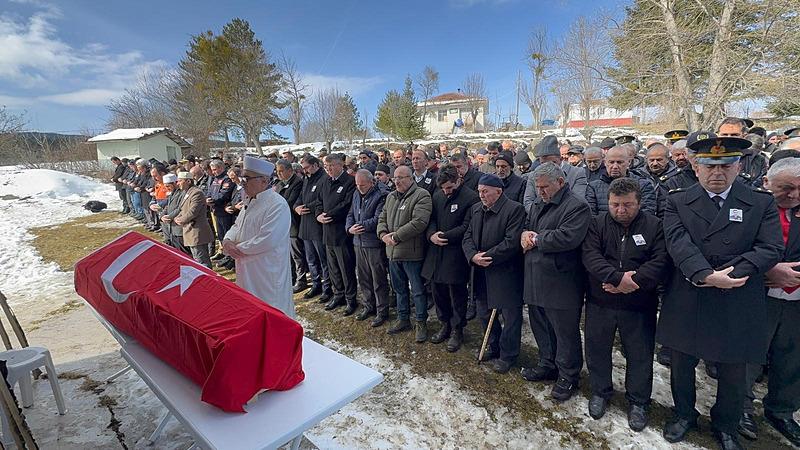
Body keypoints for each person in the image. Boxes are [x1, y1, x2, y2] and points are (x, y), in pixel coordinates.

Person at [658, 136, 783, 449]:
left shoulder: (760, 202)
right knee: (682, 363)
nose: (718, 172)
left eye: (726, 165)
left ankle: (726, 425)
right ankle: (684, 414)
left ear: (738, 166)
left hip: (737, 295)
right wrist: (705, 274)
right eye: (710, 166)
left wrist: (731, 274)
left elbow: (770, 248)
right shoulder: (677, 200)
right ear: (696, 167)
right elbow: (677, 242)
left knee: (733, 368)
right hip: (691, 291)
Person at [581, 177, 670, 431]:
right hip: (601, 300)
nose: (621, 210)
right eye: (615, 204)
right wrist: (616, 278)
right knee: (597, 349)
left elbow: (660, 261)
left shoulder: (654, 225)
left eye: (627, 205)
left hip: (639, 303)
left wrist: (633, 281)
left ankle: (638, 401)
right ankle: (600, 391)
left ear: (639, 203)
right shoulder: (597, 224)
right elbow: (591, 256)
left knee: (639, 354)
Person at [739, 157, 800, 446]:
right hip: (758, 294)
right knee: (748, 356)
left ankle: (782, 410)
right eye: (786, 188)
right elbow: (730, 248)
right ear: (766, 182)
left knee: (792, 359)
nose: (794, 195)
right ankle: (741, 407)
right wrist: (766, 269)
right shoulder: (749, 207)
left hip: (796, 300)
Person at [520, 162, 591, 400]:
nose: (540, 191)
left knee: (564, 332)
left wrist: (537, 239)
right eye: (537, 187)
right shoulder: (539, 203)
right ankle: (547, 363)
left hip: (561, 281)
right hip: (535, 276)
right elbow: (528, 226)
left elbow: (568, 237)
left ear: (560, 182)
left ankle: (568, 375)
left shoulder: (577, 206)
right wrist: (525, 234)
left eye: (544, 187)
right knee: (541, 326)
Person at [463, 173, 526, 373]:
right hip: (480, 270)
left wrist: (487, 256)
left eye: (485, 191)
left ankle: (508, 355)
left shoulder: (514, 209)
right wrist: (472, 256)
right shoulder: (476, 209)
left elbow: (511, 242)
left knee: (510, 316)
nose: (481, 195)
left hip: (505, 272)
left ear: (498, 192)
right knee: (483, 311)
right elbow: (468, 236)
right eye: (479, 191)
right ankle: (493, 345)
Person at [222, 157, 295, 318]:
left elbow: (268, 239)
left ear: (264, 181)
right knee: (251, 308)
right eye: (242, 178)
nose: (243, 183)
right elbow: (237, 226)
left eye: (247, 178)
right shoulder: (249, 201)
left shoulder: (277, 204)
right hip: (246, 267)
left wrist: (236, 249)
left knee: (272, 311)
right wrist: (227, 241)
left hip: (267, 270)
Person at [421, 164, 480, 352]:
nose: (446, 192)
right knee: (437, 292)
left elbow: (467, 226)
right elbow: (431, 219)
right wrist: (431, 235)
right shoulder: (438, 195)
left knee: (457, 295)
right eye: (443, 188)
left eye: (449, 188)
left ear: (458, 180)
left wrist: (445, 236)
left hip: (455, 254)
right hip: (436, 253)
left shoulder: (470, 198)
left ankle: (457, 329)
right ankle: (444, 323)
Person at [377, 165, 432, 340]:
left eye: (401, 178)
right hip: (392, 252)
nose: (397, 181)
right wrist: (383, 235)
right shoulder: (391, 196)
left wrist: (396, 236)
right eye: (395, 178)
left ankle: (421, 322)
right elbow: (382, 218)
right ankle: (403, 318)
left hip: (412, 253)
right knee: (399, 289)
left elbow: (419, 222)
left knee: (417, 290)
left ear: (410, 178)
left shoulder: (421, 195)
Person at [315, 154, 358, 315]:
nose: (328, 169)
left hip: (341, 233)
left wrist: (328, 215)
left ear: (340, 165)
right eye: (326, 167)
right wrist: (318, 215)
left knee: (346, 268)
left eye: (331, 166)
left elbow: (346, 204)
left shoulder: (349, 181)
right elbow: (319, 201)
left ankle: (351, 299)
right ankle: (338, 294)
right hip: (327, 232)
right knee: (333, 268)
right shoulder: (325, 181)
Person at [346, 169, 390, 326]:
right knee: (364, 278)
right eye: (357, 185)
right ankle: (368, 306)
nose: (359, 188)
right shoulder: (356, 193)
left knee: (378, 279)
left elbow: (378, 218)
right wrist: (349, 228)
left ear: (371, 182)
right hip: (358, 242)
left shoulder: (381, 195)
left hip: (373, 243)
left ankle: (382, 310)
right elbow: (350, 213)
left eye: (363, 185)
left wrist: (360, 226)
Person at [295, 155, 333, 302]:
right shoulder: (306, 179)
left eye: (306, 168)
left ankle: (327, 287)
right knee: (311, 259)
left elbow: (321, 200)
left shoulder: (324, 178)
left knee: (323, 260)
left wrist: (306, 207)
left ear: (315, 165)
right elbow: (300, 196)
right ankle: (316, 284)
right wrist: (296, 207)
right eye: (303, 168)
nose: (304, 171)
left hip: (317, 225)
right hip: (305, 225)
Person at [586, 146, 656, 216]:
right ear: (605, 163)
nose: (615, 166)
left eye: (619, 162)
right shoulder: (593, 187)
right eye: (611, 162)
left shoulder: (643, 185)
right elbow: (591, 215)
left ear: (629, 162)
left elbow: (647, 214)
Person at [523, 135, 588, 212]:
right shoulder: (533, 176)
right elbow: (528, 202)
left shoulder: (577, 173)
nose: (547, 167)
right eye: (543, 163)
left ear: (561, 159)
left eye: (552, 163)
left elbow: (578, 202)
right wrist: (540, 215)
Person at [275, 159, 308, 292]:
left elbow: (288, 202)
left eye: (281, 171)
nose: (279, 174)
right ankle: (291, 278)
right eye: (277, 171)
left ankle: (301, 280)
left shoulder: (297, 182)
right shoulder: (279, 184)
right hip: (282, 225)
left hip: (294, 224)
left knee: (297, 254)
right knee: (287, 254)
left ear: (290, 170)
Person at [173, 172, 215, 268]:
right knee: (197, 258)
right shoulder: (187, 193)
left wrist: (181, 220)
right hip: (190, 231)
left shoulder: (197, 193)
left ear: (188, 181)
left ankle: (207, 277)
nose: (178, 183)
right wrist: (177, 217)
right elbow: (182, 209)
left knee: (201, 260)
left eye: (180, 181)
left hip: (197, 232)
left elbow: (193, 212)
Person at [207, 160, 236, 264]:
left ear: (220, 168)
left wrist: (212, 200)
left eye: (215, 169)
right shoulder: (215, 179)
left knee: (227, 235)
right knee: (221, 235)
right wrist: (208, 199)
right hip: (216, 211)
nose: (213, 172)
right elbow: (209, 191)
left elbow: (224, 194)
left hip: (225, 212)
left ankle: (230, 257)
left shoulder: (227, 179)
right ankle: (226, 254)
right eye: (212, 170)